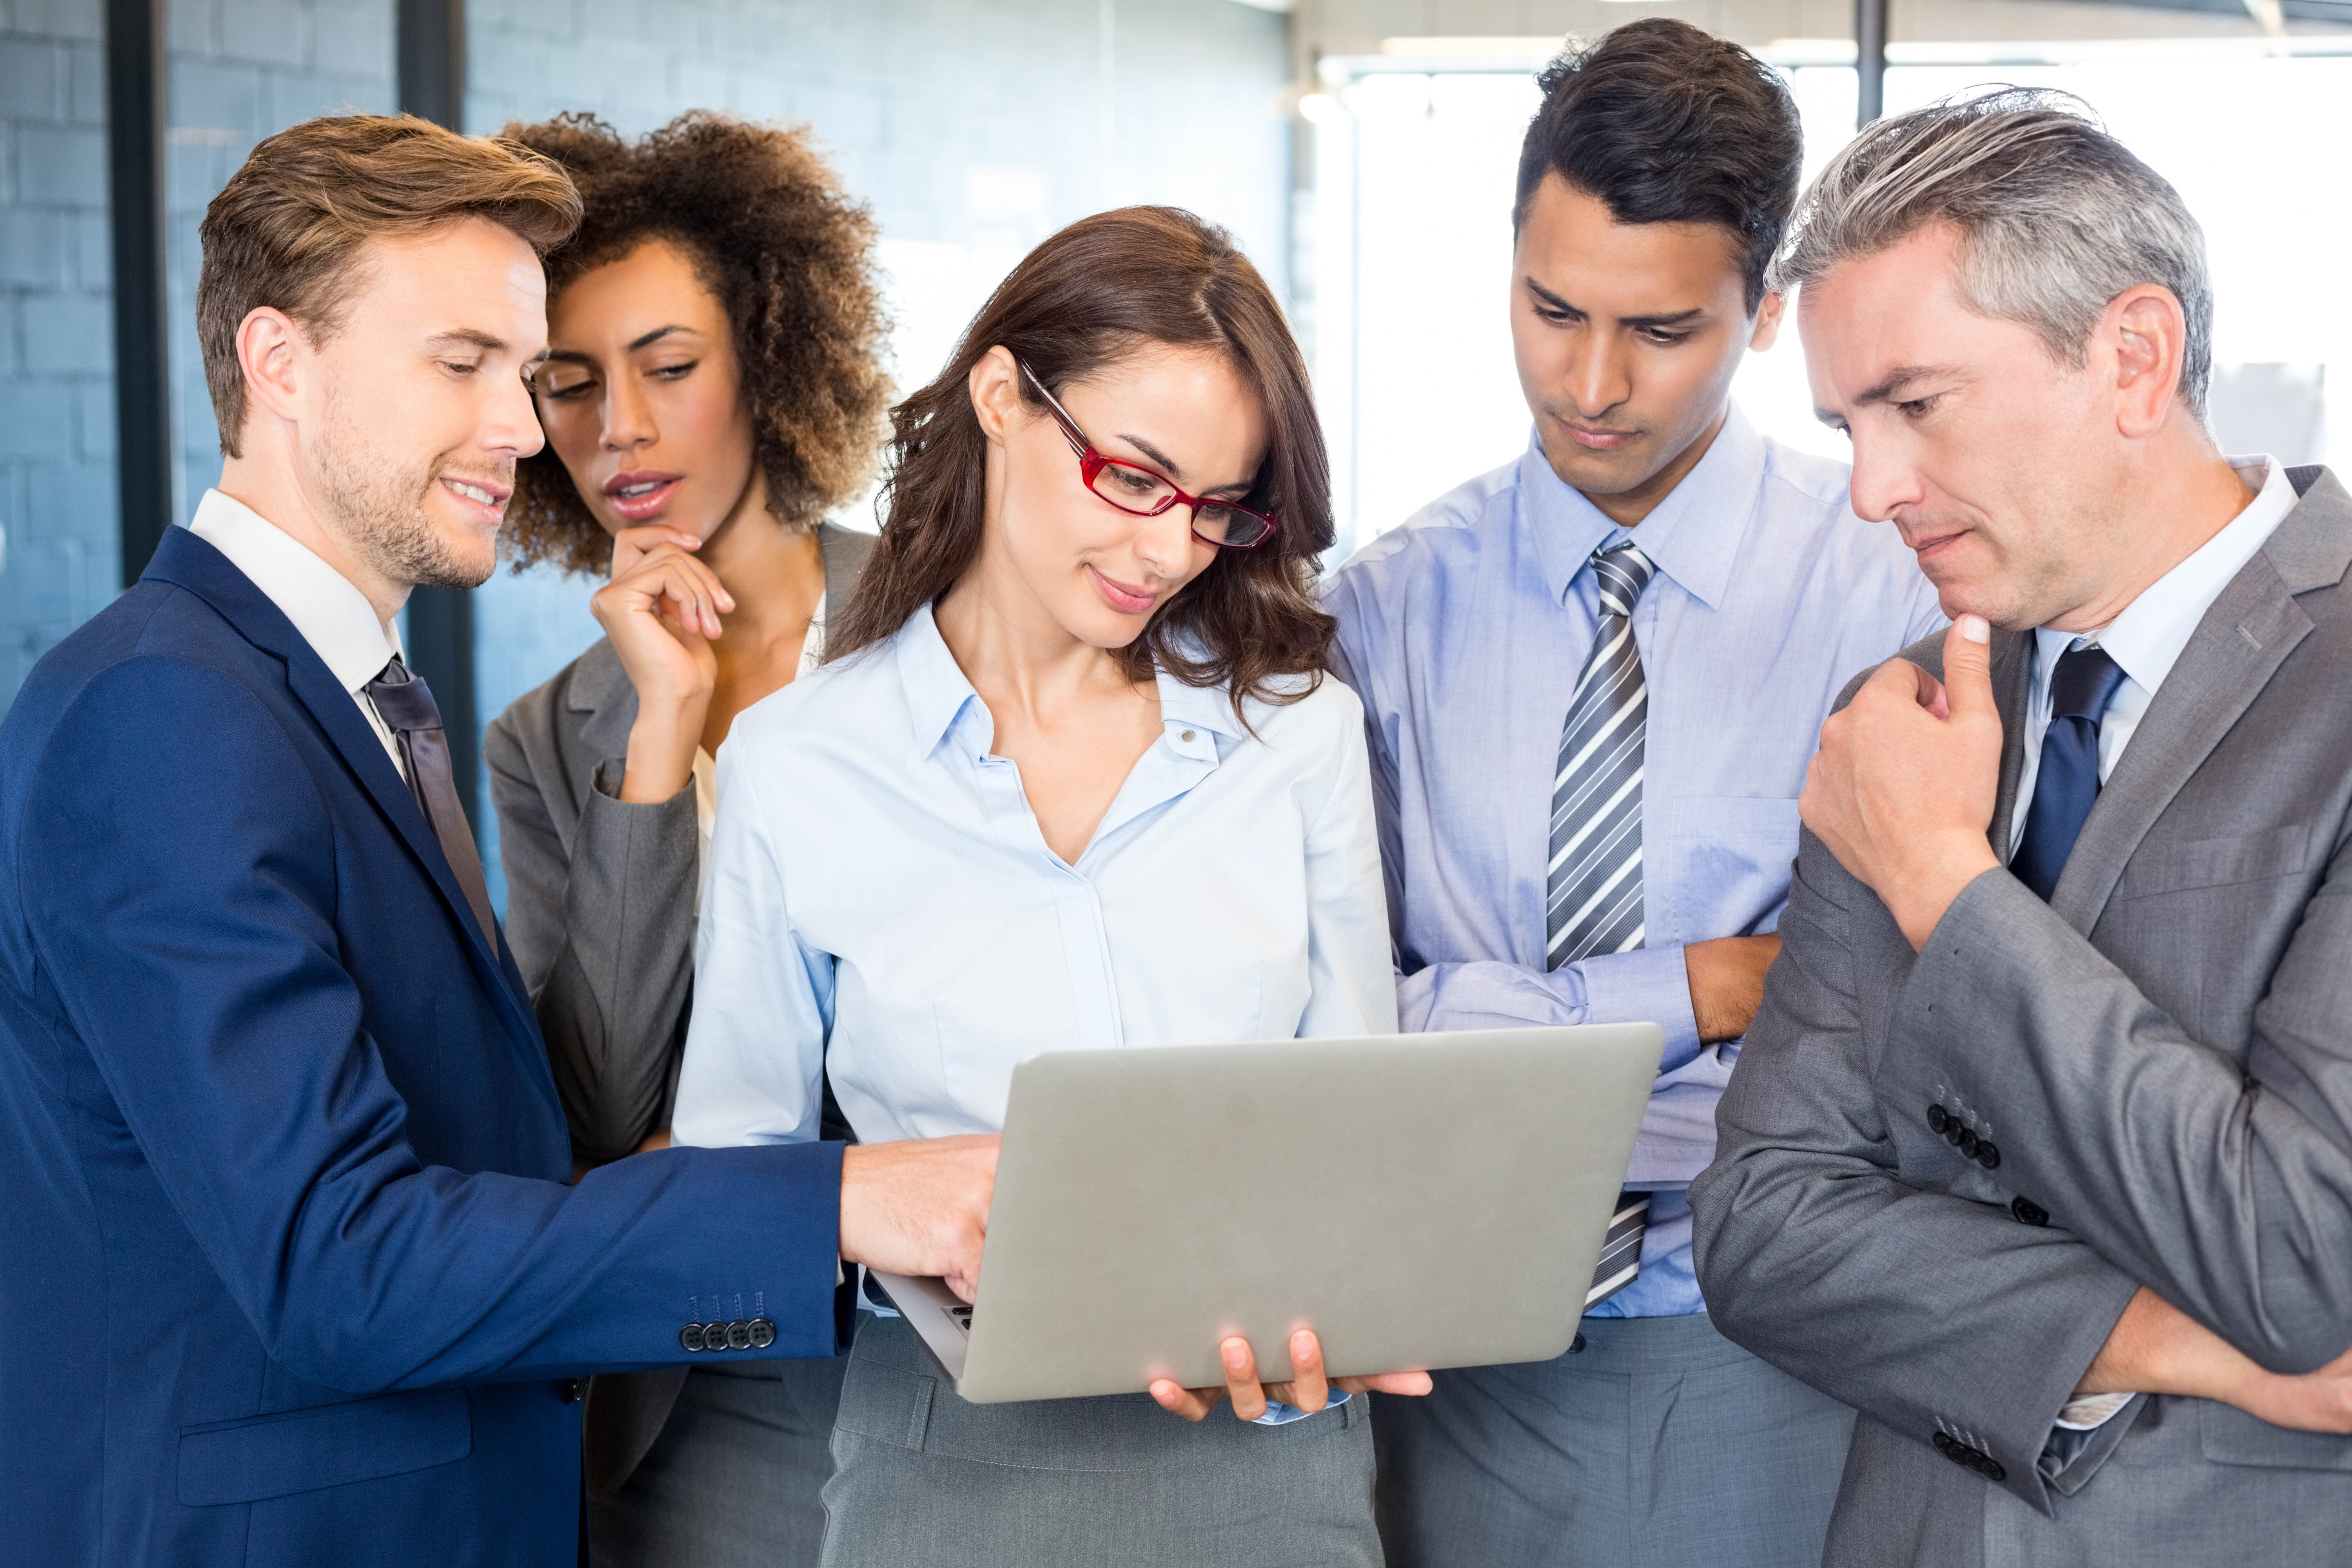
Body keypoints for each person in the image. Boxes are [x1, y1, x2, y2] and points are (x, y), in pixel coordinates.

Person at [0, 114, 994, 1568]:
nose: (535, 434)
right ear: (278, 364)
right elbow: (338, 1263)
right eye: (462, 365)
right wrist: (835, 1199)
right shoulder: (169, 711)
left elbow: (493, 1136)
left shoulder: (331, 701)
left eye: (521, 377)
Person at [670, 205, 1431, 1568]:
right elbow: (730, 1193)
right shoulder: (799, 761)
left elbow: (1354, 1121)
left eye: (1213, 508)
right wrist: (877, 1206)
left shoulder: (1298, 734)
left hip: (1267, 1463)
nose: (1167, 551)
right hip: (942, 1471)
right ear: (1003, 395)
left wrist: (1338, 1313)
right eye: (1134, 480)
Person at [1689, 89, 2352, 1566]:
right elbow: (1764, 1229)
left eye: (1915, 406)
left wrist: (1939, 880)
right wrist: (2183, 1343)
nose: (1872, 491)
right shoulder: (1907, 717)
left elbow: (2307, 1257)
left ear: (2132, 358)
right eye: (1846, 425)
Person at [1322, 22, 1945, 1566]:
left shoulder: (1892, 596)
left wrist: (1511, 1043)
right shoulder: (1380, 609)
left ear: (1766, 313)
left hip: (1782, 1343)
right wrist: (1706, 991)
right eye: (1550, 311)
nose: (1590, 385)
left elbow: (1889, 1034)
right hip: (1435, 1350)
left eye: (1660, 331)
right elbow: (1337, 1024)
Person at [482, 111, 889, 1568]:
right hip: (699, 1394)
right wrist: (662, 738)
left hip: (950, 1340)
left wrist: (713, 1155)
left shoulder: (958, 621)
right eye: (571, 387)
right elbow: (595, 1104)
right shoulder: (547, 738)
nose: (620, 432)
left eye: (669, 368)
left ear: (769, 367)